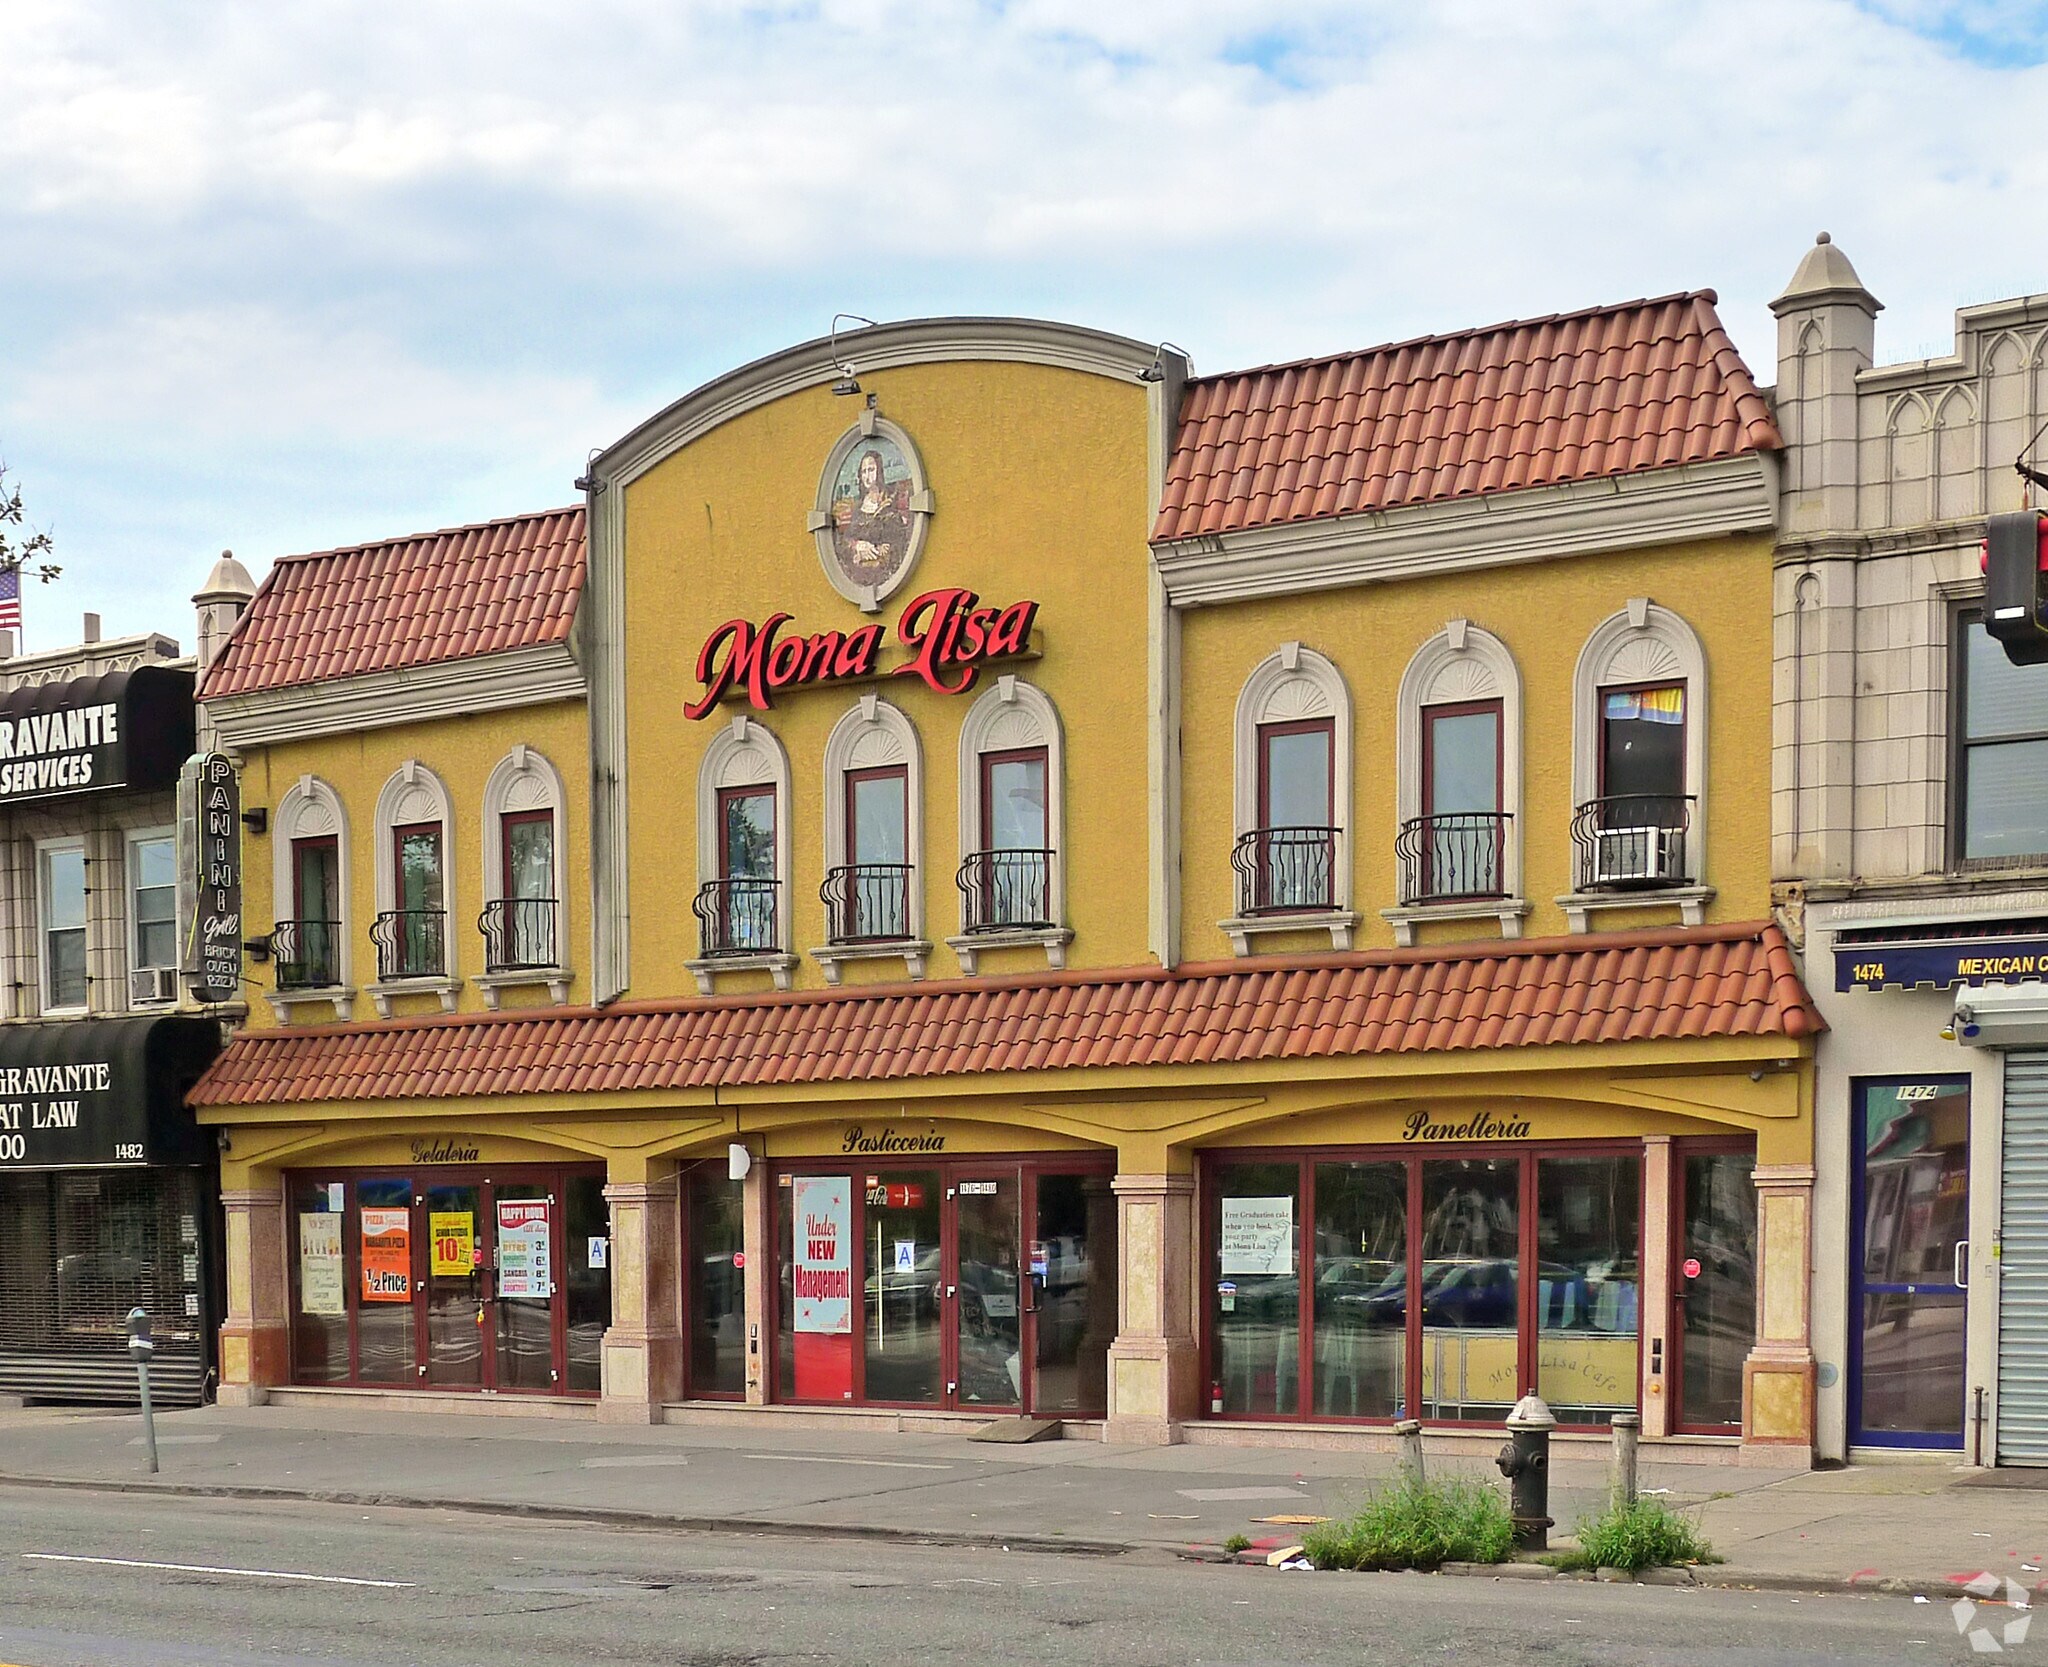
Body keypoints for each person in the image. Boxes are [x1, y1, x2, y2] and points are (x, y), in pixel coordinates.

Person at [833, 448, 913, 586]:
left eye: (871, 470)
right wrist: (857, 546)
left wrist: (882, 550)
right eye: (864, 472)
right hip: (858, 572)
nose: (867, 476)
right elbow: (844, 541)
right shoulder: (857, 509)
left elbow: (900, 541)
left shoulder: (889, 504)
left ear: (879, 471)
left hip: (883, 574)